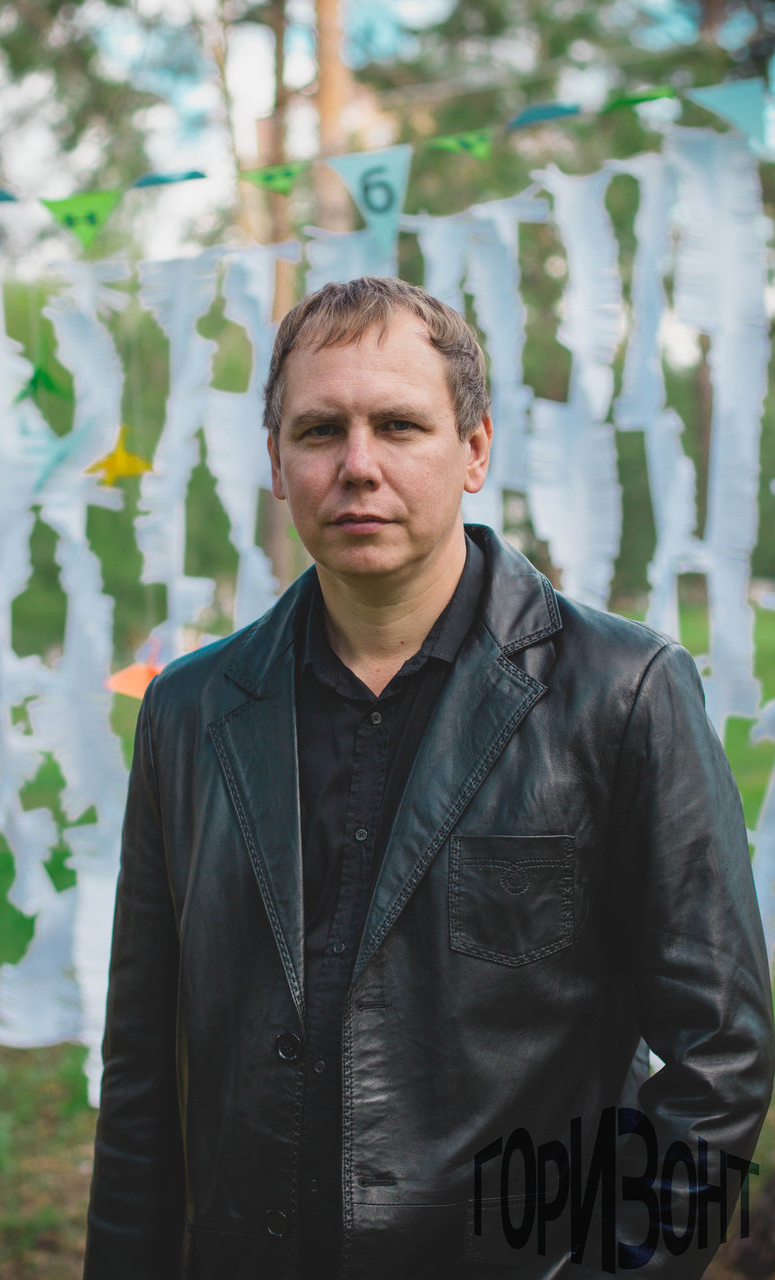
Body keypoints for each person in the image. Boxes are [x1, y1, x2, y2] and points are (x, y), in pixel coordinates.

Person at [83, 277, 774, 1280]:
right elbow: (143, 1069)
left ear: (474, 449)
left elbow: (722, 1060)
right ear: (275, 461)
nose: (357, 465)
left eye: (399, 425)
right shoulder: (189, 711)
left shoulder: (623, 691)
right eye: (320, 430)